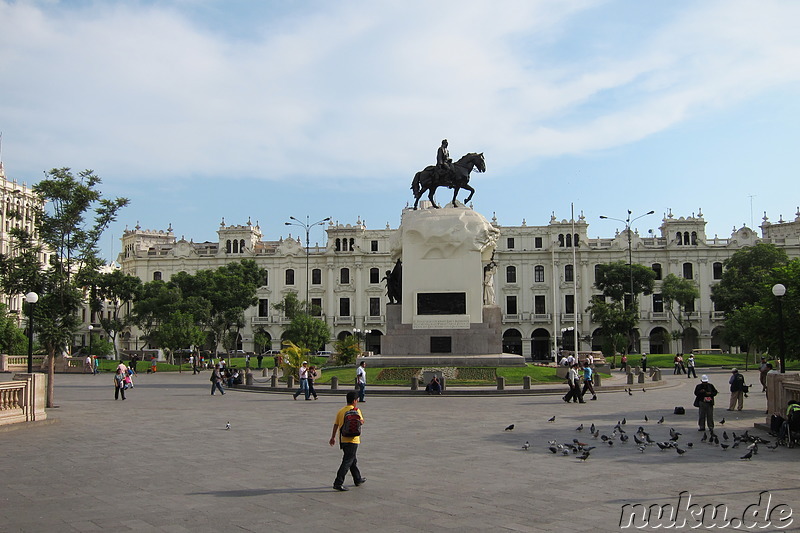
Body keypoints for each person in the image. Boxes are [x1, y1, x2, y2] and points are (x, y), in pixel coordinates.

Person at [329, 391, 366, 491]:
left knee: (352, 460)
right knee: (347, 461)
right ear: (354, 400)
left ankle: (357, 479)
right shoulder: (356, 410)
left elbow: (336, 425)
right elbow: (361, 422)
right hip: (353, 440)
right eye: (357, 399)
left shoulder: (341, 411)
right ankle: (338, 482)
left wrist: (333, 437)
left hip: (343, 439)